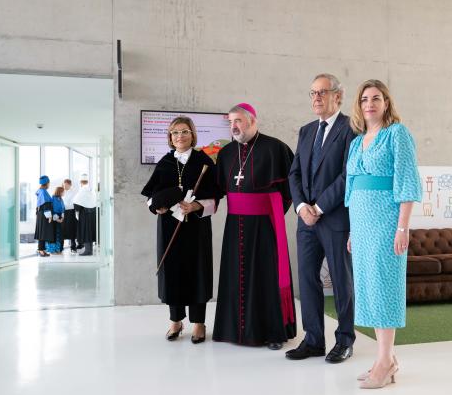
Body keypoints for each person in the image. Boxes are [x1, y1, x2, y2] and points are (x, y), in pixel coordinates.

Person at [345, 79, 422, 389]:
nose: (369, 104)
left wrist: (402, 226)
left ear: (386, 103)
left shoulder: (397, 134)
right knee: (369, 288)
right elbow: (351, 190)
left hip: (386, 220)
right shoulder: (357, 141)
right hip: (361, 224)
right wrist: (353, 230)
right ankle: (383, 359)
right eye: (364, 99)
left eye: (376, 98)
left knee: (384, 286)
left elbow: (407, 182)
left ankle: (385, 362)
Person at [213, 103, 296, 350]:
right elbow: (217, 189)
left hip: (264, 226)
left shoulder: (275, 148)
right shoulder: (226, 153)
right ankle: (232, 330)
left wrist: (271, 213)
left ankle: (272, 333)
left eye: (237, 121)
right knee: (234, 276)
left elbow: (291, 188)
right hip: (234, 225)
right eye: (230, 122)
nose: (233, 126)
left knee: (265, 277)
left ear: (252, 120)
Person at [286, 73, 356, 364]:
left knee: (341, 280)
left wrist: (319, 207)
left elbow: (348, 174)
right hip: (306, 220)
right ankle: (313, 339)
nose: (316, 98)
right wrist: (302, 206)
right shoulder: (305, 131)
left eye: (322, 92)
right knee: (307, 279)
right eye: (312, 93)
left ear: (337, 96)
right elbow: (295, 173)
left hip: (335, 217)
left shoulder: (351, 128)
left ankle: (345, 340)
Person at [141, 116, 219, 343]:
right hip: (169, 227)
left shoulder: (204, 161)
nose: (180, 136)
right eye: (175, 133)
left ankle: (198, 323)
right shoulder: (164, 163)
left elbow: (215, 198)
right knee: (172, 272)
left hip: (196, 227)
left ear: (193, 135)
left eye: (184, 132)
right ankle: (175, 320)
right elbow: (149, 197)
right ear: (170, 137)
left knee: (198, 271)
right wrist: (157, 208)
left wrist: (196, 205)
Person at [73, 174, 97, 256]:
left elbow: (76, 203)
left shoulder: (82, 190)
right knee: (90, 232)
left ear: (80, 182)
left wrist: (77, 210)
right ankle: (89, 250)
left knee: (86, 232)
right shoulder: (91, 190)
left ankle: (88, 251)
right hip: (92, 213)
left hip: (85, 214)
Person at [34, 175, 55, 257]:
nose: (49, 184)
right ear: (46, 183)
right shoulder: (43, 192)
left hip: (41, 215)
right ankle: (41, 250)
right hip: (44, 215)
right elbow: (45, 205)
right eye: (49, 183)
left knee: (42, 233)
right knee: (42, 233)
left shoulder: (40, 191)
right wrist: (49, 216)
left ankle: (42, 250)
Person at [46, 186, 65, 254]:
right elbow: (52, 210)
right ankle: (52, 250)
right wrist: (57, 219)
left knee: (60, 235)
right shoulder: (53, 198)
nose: (64, 193)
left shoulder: (61, 199)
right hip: (55, 218)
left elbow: (63, 208)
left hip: (60, 218)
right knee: (54, 234)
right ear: (59, 192)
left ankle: (58, 249)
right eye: (63, 191)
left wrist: (62, 217)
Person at [61, 179, 78, 252]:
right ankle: (61, 247)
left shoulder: (74, 192)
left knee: (72, 229)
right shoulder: (62, 191)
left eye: (66, 185)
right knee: (62, 229)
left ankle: (73, 246)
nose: (64, 186)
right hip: (63, 211)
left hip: (71, 211)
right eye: (64, 185)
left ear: (70, 185)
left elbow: (73, 202)